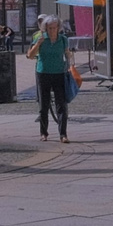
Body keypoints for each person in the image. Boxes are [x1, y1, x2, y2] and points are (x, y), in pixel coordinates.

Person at [25, 15, 70, 143]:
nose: (51, 31)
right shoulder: (40, 38)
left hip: (59, 73)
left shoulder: (63, 39)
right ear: (45, 28)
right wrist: (38, 44)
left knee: (61, 105)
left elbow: (67, 54)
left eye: (54, 28)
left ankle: (63, 134)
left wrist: (70, 65)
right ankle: (43, 133)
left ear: (58, 28)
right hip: (43, 73)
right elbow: (30, 55)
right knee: (43, 105)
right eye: (49, 28)